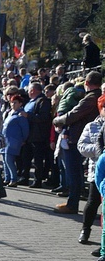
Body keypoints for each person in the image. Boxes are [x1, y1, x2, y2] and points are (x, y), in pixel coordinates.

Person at [52, 71, 102, 214]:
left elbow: (74, 114)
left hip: (78, 138)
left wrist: (57, 120)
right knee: (79, 173)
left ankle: (72, 204)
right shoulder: (95, 97)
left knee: (73, 172)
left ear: (86, 83)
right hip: (88, 138)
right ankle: (74, 201)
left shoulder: (91, 98)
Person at [76, 94, 105, 244]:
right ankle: (85, 229)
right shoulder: (92, 126)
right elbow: (81, 146)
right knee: (93, 202)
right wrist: (99, 150)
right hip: (97, 170)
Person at [21, 82, 53, 187]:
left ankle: (37, 180)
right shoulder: (30, 101)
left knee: (37, 160)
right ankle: (24, 177)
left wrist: (28, 116)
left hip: (37, 136)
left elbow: (43, 118)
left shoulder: (43, 101)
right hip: (28, 135)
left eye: (30, 90)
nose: (28, 92)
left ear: (33, 90)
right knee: (26, 158)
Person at [1, 94, 29, 188]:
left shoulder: (21, 114)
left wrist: (23, 139)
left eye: (15, 102)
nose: (12, 104)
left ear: (20, 103)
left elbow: (25, 129)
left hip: (14, 140)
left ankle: (14, 179)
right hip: (5, 139)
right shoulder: (9, 113)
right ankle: (7, 178)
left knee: (9, 160)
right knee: (5, 160)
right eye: (11, 102)